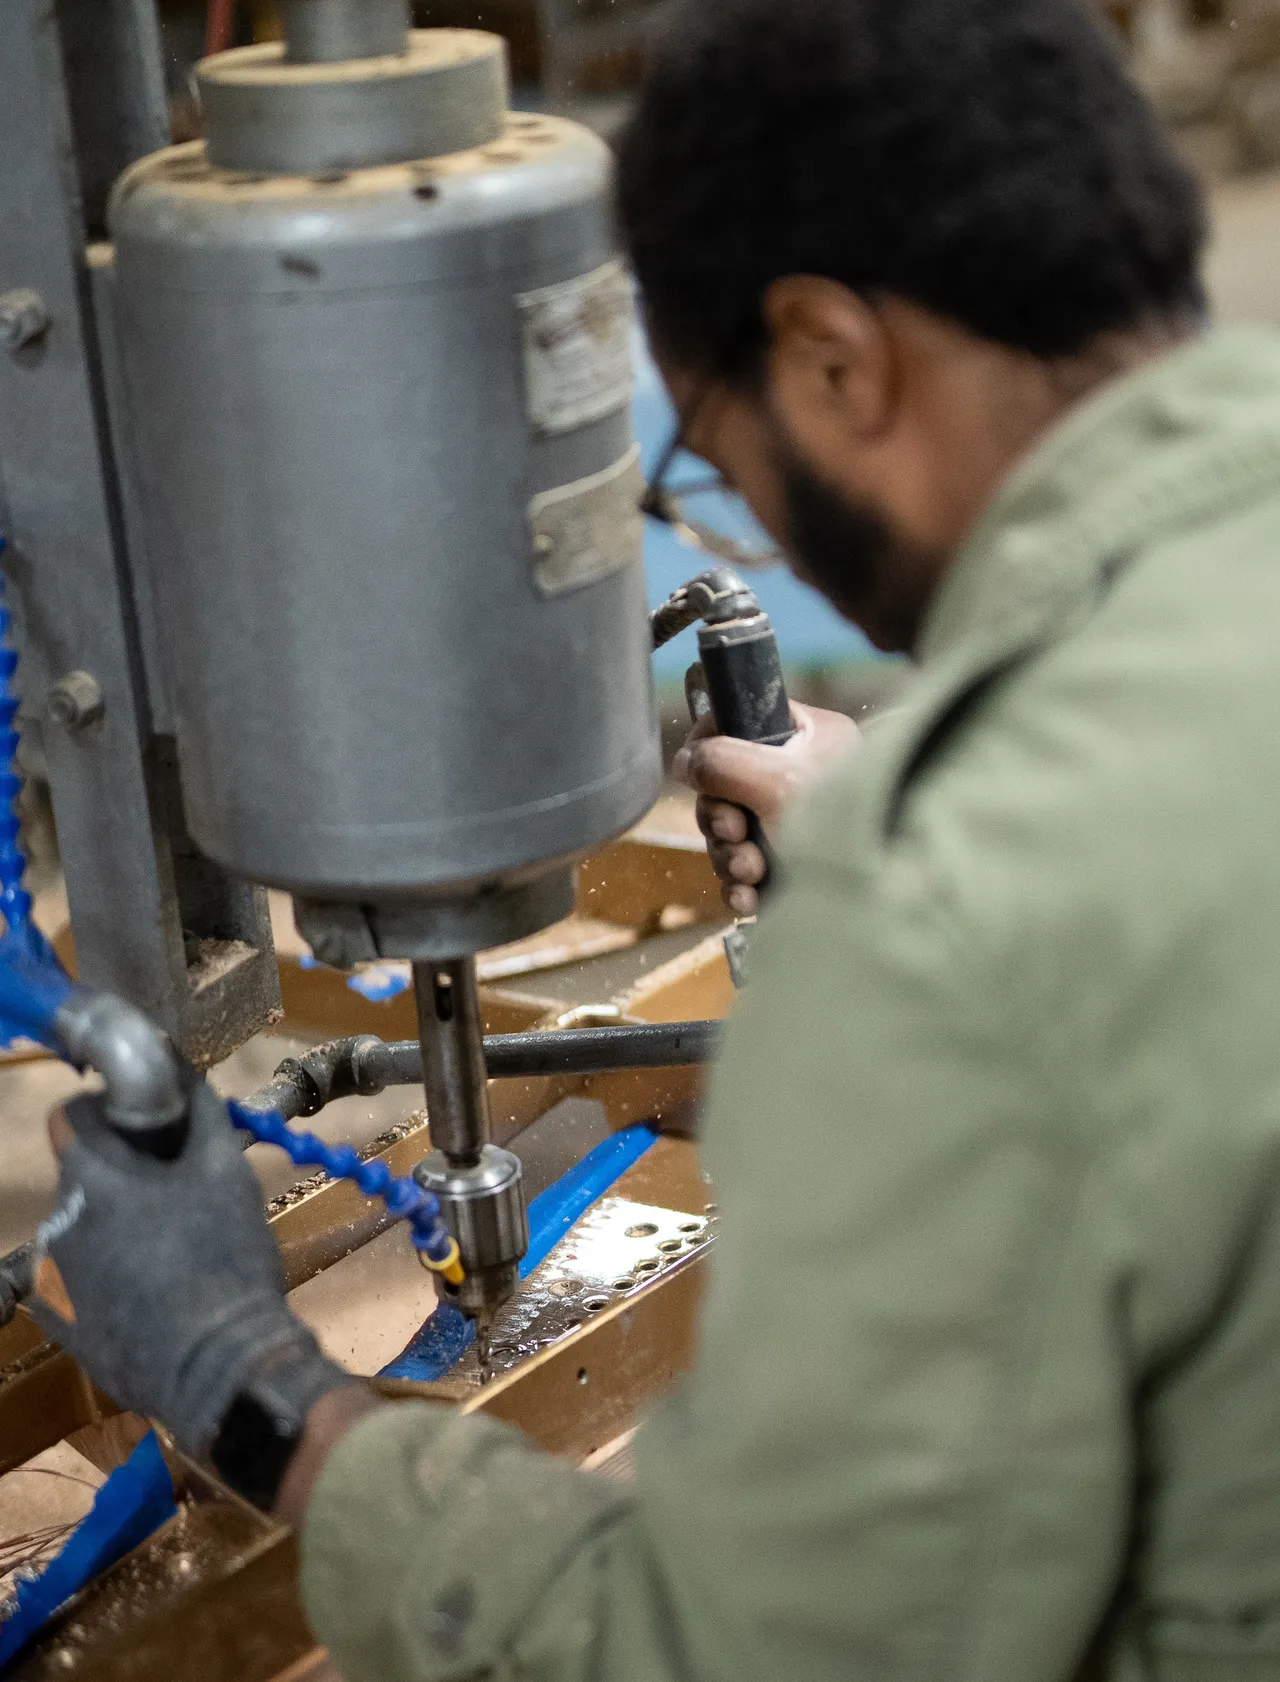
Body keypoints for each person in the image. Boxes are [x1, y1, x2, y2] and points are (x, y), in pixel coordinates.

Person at [28, 1, 1280, 1677]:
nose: (755, 535)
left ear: (833, 358)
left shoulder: (950, 912)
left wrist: (246, 1383)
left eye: (709, 462)